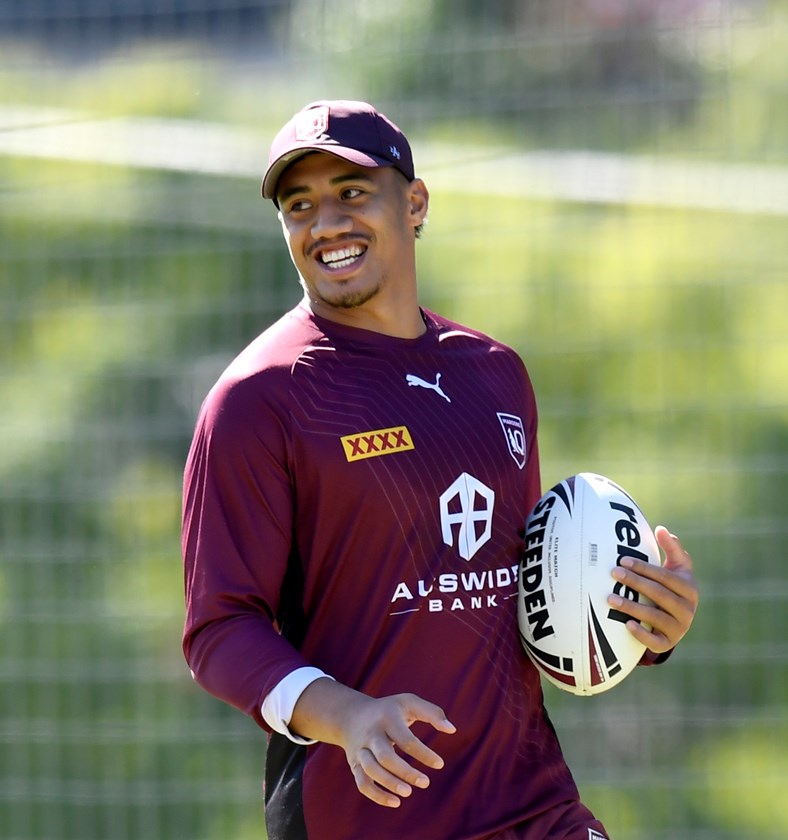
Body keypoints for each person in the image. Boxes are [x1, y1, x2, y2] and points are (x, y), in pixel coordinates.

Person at [181, 100, 699, 840]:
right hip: (365, 819)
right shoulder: (259, 398)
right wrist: (348, 714)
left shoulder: (496, 376)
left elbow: (518, 592)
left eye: (352, 193)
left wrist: (641, 622)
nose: (325, 223)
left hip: (532, 807)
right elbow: (218, 632)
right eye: (300, 206)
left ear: (414, 203)